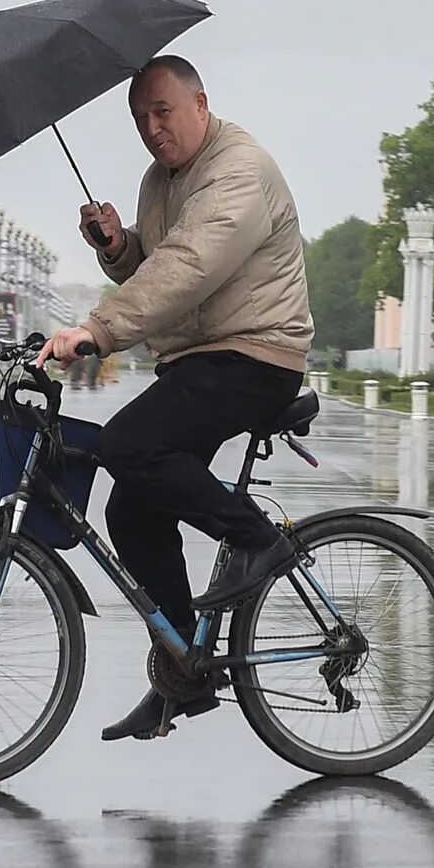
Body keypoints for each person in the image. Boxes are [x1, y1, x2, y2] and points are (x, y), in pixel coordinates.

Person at [38, 56, 315, 741]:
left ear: (201, 103)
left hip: (255, 354)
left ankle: (258, 543)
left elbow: (191, 269)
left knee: (129, 445)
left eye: (163, 112)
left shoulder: (239, 171)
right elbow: (159, 262)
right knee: (131, 509)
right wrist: (118, 245)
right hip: (200, 358)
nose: (152, 129)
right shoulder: (159, 181)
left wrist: (96, 330)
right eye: (139, 119)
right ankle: (184, 672)